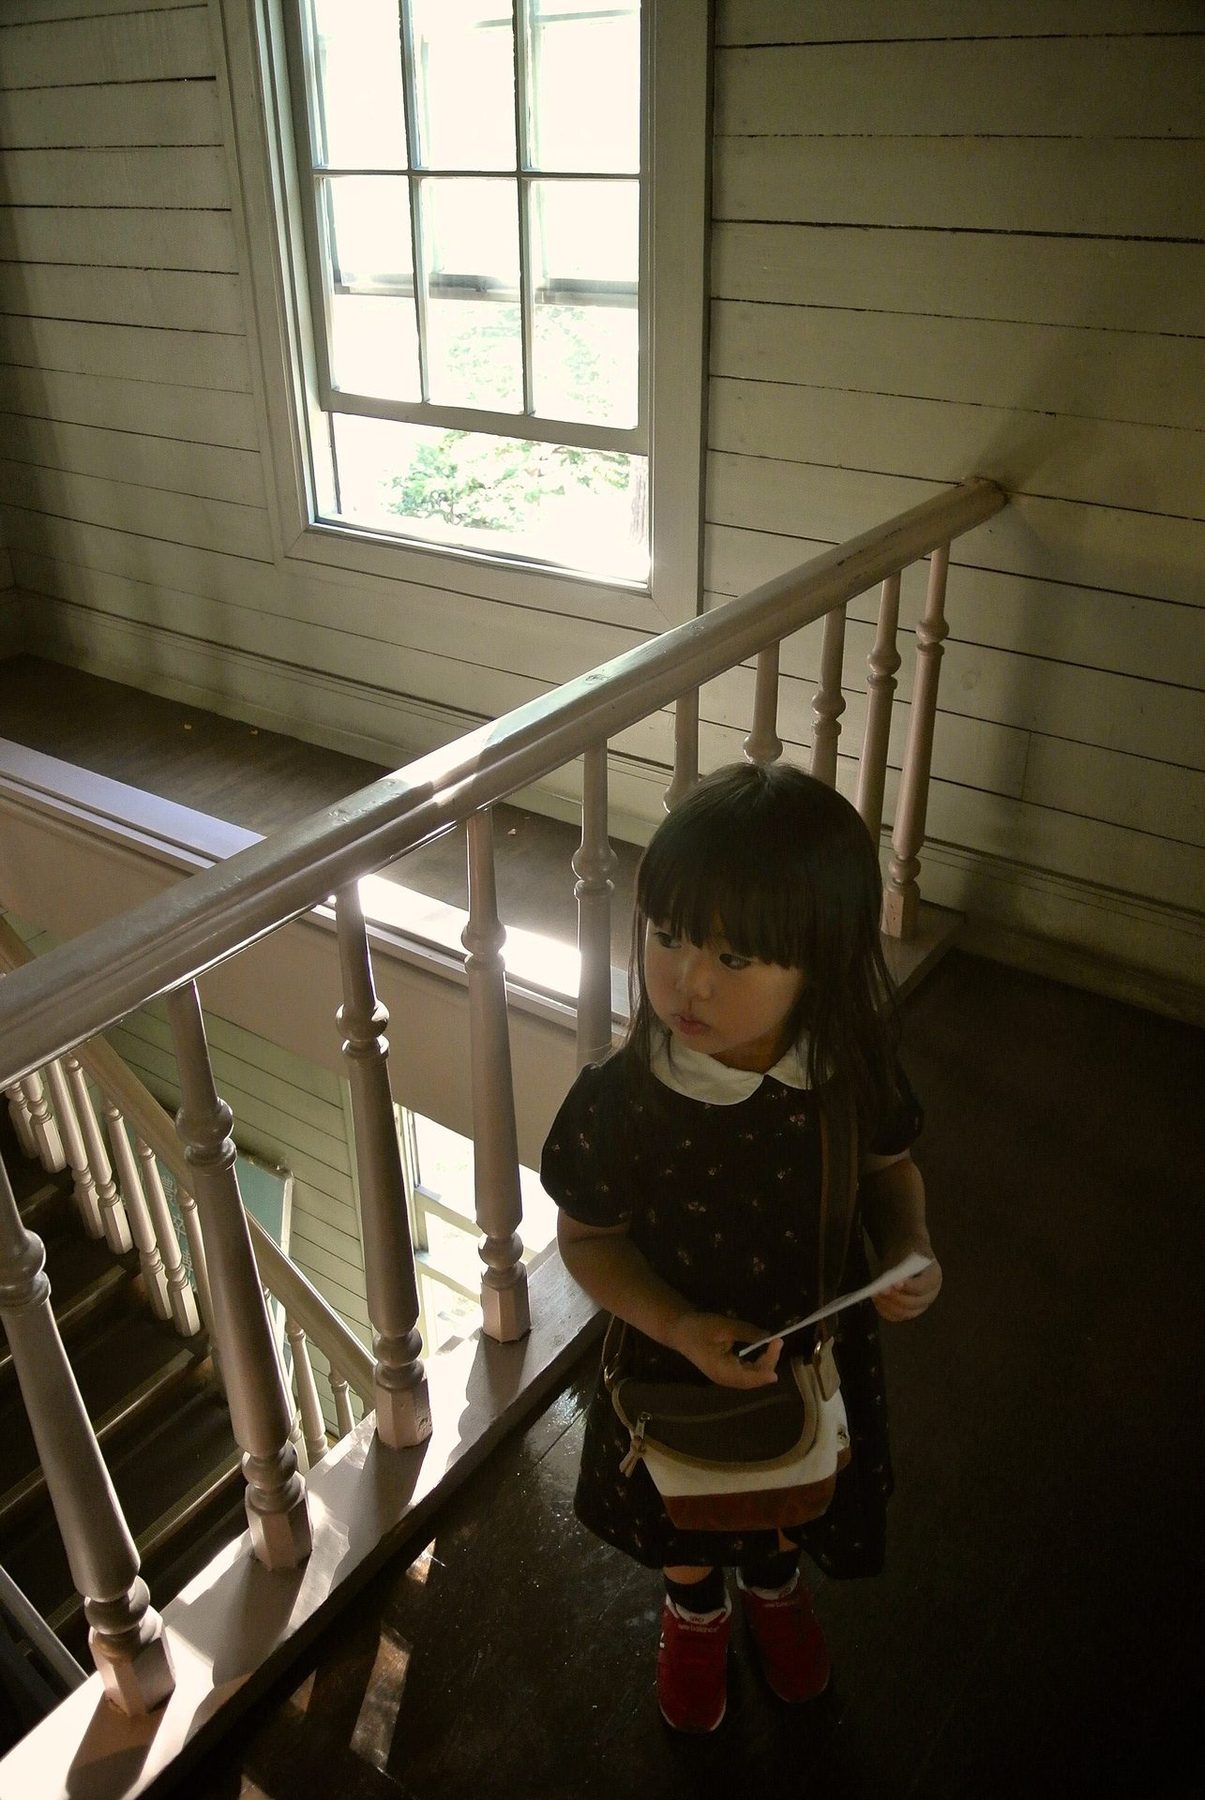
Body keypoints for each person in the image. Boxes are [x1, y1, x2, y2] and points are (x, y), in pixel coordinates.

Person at [540, 761, 942, 1733]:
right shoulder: (621, 1101)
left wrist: (909, 1243)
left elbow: (889, 1168)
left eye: (733, 956)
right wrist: (678, 1326)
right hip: (671, 1359)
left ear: (820, 964)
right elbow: (586, 1239)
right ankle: (694, 1609)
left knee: (787, 1491)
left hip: (809, 1356)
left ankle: (771, 1586)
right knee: (686, 1506)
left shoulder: (847, 1072)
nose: (687, 980)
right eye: (668, 936)